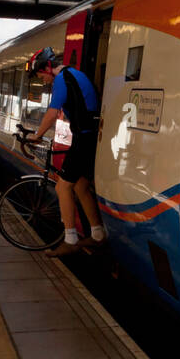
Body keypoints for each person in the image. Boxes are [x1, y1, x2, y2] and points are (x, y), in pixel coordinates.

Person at [26, 47, 106, 256]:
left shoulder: (63, 78)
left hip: (85, 138)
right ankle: (97, 234)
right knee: (80, 186)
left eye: (40, 75)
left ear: (48, 67)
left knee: (63, 188)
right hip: (90, 137)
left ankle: (70, 239)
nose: (41, 80)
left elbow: (53, 112)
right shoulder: (73, 75)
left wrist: (37, 134)